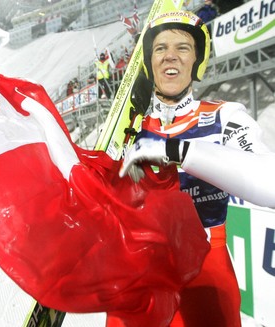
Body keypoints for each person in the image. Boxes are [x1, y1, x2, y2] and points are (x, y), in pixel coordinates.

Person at [114, 11, 275, 326]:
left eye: (183, 47)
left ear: (197, 61)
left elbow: (271, 183)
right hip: (140, 274)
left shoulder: (224, 116)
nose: (170, 55)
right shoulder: (127, 128)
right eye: (160, 48)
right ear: (148, 61)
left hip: (205, 270)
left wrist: (179, 151)